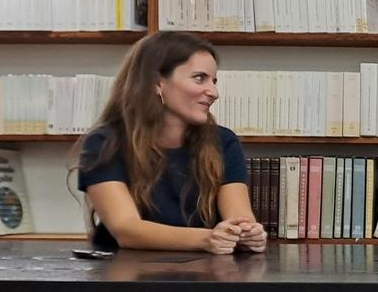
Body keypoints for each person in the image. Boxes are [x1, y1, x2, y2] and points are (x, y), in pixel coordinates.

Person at [74, 31, 266, 254]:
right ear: (157, 82)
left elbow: (238, 218)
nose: (214, 92)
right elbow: (126, 229)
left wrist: (247, 233)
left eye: (214, 81)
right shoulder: (104, 143)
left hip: (206, 277)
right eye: (199, 78)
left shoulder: (223, 141)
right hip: (127, 279)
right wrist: (208, 239)